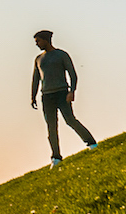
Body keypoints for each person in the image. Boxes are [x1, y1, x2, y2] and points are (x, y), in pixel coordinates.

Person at [31, 30, 97, 168]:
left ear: (46, 40)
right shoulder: (38, 59)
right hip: (46, 96)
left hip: (62, 93)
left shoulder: (61, 55)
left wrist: (72, 91)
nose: (37, 44)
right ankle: (56, 157)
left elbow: (73, 74)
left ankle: (91, 143)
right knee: (51, 127)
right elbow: (35, 79)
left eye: (38, 41)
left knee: (70, 120)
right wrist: (33, 97)